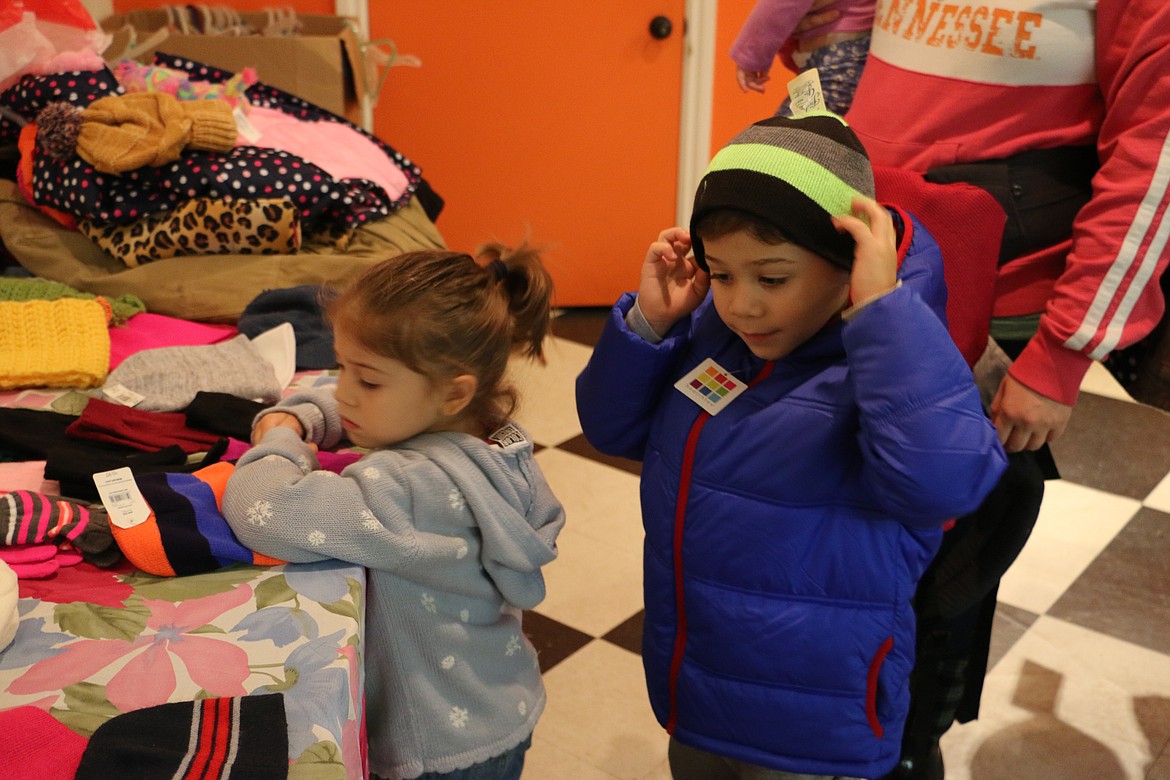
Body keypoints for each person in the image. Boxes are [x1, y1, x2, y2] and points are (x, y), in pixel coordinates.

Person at [788, 1, 1170, 777]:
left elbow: (1155, 152)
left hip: (988, 306)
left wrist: (1061, 355)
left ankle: (899, 751)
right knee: (825, 528)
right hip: (861, 243)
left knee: (934, 575)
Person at [575, 111, 1008, 779]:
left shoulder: (896, 358)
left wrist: (882, 315)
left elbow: (942, 482)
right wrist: (650, 323)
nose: (742, 304)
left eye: (771, 278)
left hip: (817, 717)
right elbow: (612, 427)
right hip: (701, 684)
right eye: (721, 274)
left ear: (848, 263)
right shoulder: (714, 338)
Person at [221, 245, 566, 780]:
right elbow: (360, 403)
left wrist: (281, 439)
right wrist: (315, 411)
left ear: (454, 393)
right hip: (493, 703)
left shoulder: (407, 487)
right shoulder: (497, 434)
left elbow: (263, 510)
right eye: (342, 368)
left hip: (435, 746)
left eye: (368, 380)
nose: (344, 392)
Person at [731, 0, 875, 115]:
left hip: (838, 59)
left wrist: (750, 55)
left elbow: (780, 4)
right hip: (850, 55)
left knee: (789, 139)